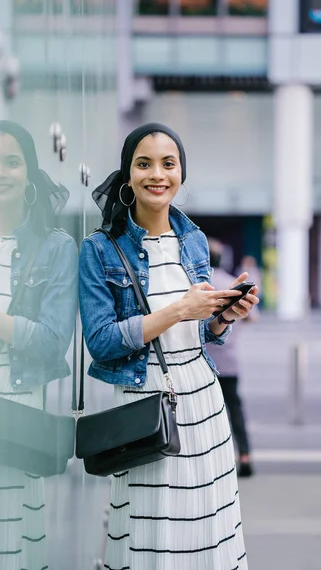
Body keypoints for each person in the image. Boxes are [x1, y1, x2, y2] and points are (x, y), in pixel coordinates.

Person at [79, 122, 259, 570]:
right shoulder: (99, 250)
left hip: (202, 400)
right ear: (128, 174)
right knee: (153, 536)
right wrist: (179, 309)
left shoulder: (193, 239)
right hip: (146, 406)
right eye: (144, 164)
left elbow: (198, 335)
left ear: (181, 174)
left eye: (168, 163)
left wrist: (221, 320)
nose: (156, 174)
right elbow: (101, 343)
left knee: (205, 531)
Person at [0, 121, 77, 568]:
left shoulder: (55, 248)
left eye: (12, 162)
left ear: (29, 173)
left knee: (10, 541)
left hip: (15, 405)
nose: (2, 172)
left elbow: (52, 342)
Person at [207, 238, 254, 478]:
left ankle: (213, 462)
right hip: (229, 360)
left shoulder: (199, 285)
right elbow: (251, 318)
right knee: (234, 409)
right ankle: (244, 455)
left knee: (205, 413)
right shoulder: (230, 283)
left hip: (203, 361)